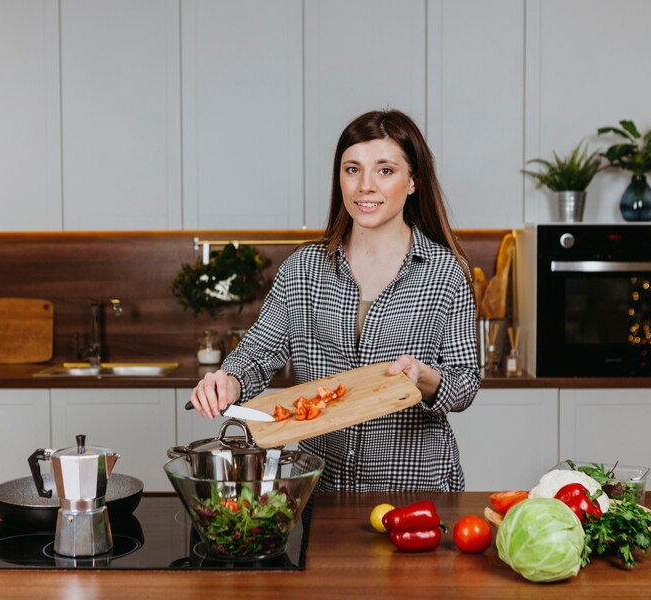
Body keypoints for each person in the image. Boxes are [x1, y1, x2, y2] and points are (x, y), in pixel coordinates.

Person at [189, 109, 480, 491]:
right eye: (352, 169)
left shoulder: (445, 272)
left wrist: (423, 378)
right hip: (321, 487)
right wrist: (228, 381)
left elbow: (464, 381)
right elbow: (258, 353)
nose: (365, 186)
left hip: (416, 488)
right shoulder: (304, 269)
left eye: (385, 170)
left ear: (413, 182)